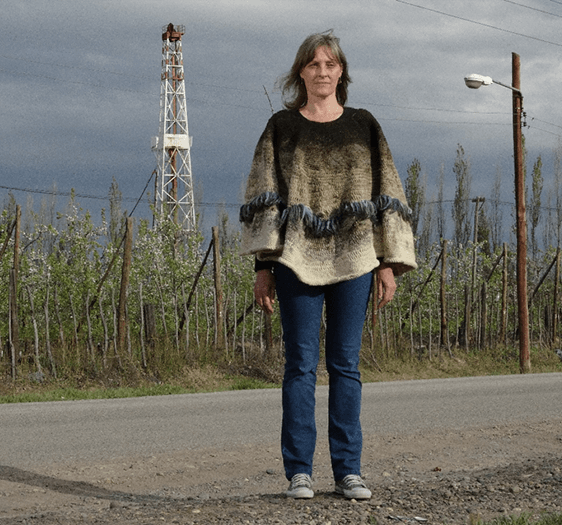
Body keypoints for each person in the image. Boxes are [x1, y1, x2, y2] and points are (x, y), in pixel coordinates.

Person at [239, 31, 417, 500]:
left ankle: (348, 471)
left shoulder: (363, 125)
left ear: (342, 72)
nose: (322, 72)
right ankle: (300, 472)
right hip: (296, 259)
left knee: (345, 365)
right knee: (299, 365)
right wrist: (263, 266)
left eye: (330, 65)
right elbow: (266, 197)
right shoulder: (281, 126)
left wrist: (387, 263)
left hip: (356, 255)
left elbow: (387, 192)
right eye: (314, 64)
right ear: (301, 71)